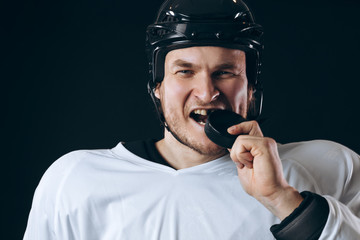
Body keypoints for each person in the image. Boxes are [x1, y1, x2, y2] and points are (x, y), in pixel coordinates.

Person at [24, 0, 360, 239]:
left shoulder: (329, 168)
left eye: (225, 72)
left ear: (252, 88)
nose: (206, 91)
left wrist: (280, 198)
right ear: (158, 87)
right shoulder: (75, 180)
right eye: (185, 71)